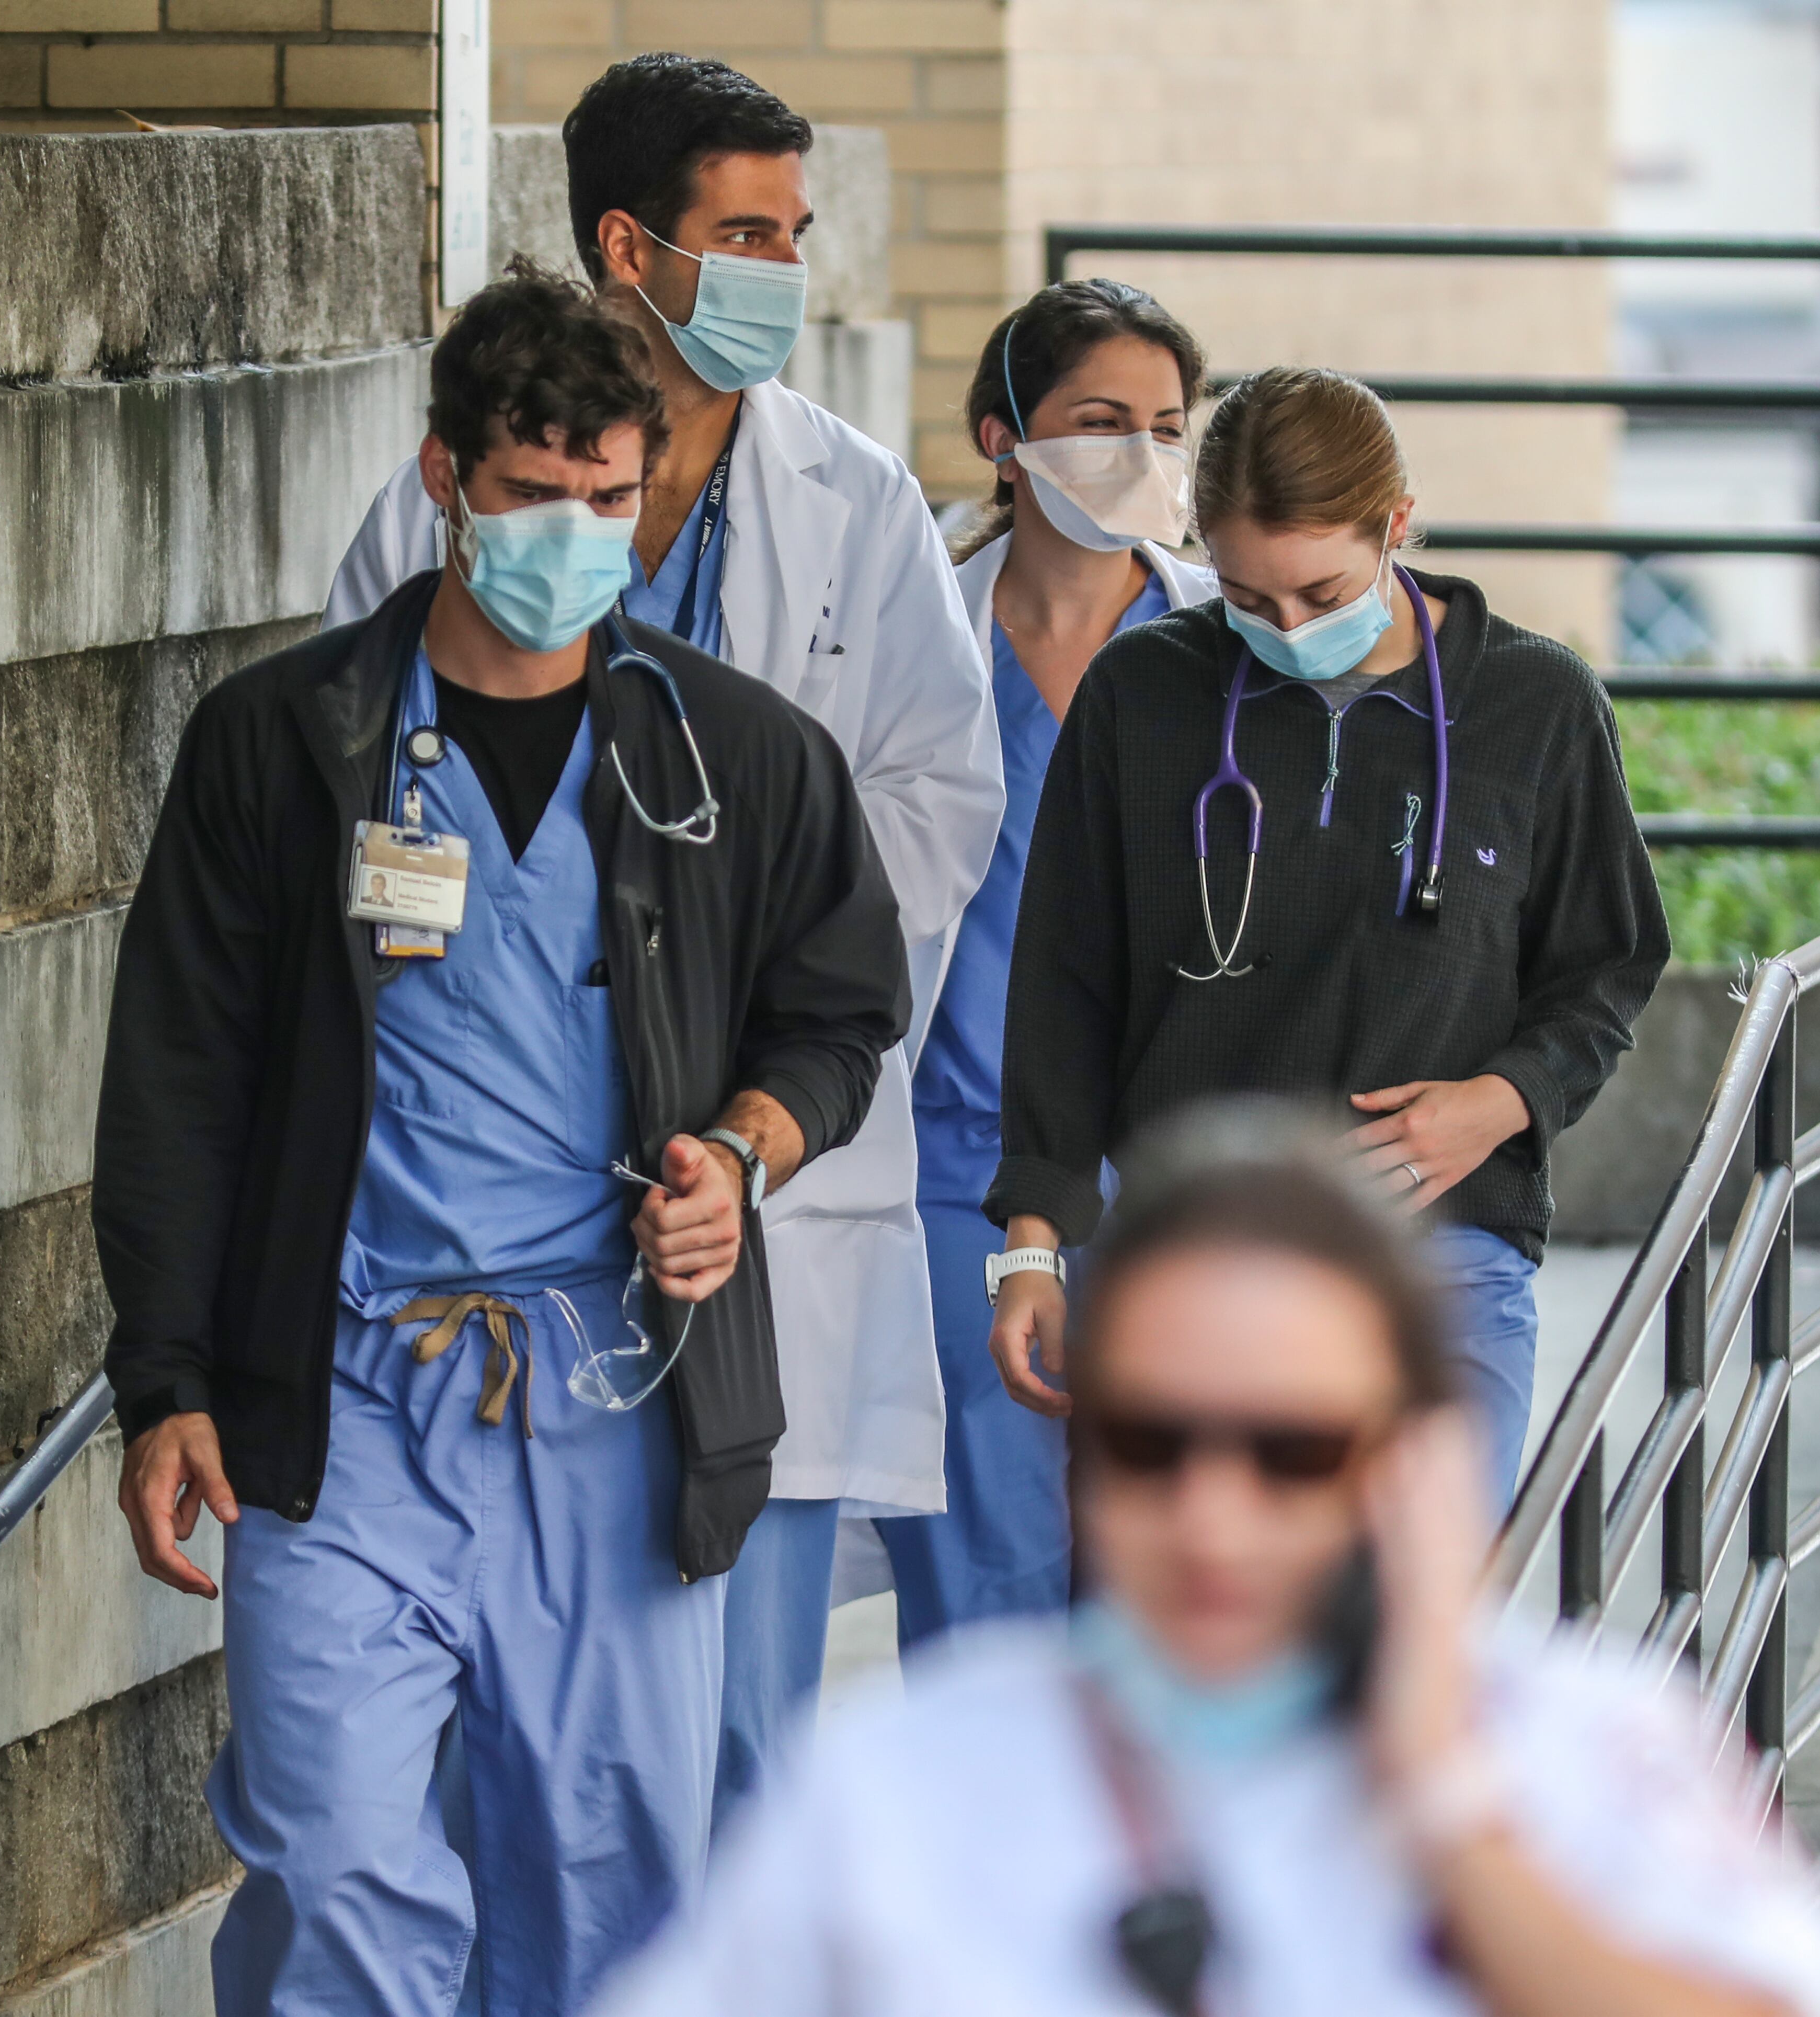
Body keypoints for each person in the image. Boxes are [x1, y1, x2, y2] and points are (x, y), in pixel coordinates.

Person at [94, 263, 909, 2017]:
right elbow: (177, 1071)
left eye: (612, 497)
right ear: (445, 476)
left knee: (609, 1900)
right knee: (331, 1871)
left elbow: (839, 1013)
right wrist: (163, 1377)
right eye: (534, 494)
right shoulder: (284, 743)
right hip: (347, 1398)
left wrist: (742, 1157)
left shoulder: (739, 755)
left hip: (617, 1403)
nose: (576, 532)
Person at [324, 53, 1005, 1817]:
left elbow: (941, 792)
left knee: (745, 1732)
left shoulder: (850, 502)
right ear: (633, 246)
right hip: (497, 1195)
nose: (788, 264)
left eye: (796, 229)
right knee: (503, 1757)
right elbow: (352, 791)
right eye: (750, 232)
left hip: (756, 1173)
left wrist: (761, 989)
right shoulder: (447, 501)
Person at [595, 1102, 1820, 2017]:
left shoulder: (1594, 1752)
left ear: (1405, 1464)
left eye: (1293, 1451)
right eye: (1153, 1443)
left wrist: (1446, 1804)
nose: (1213, 1515)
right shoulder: (899, 1791)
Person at [987, 367, 1670, 1508]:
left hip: (1441, 1252)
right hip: (1186, 1256)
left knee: (1419, 1627)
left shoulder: (1538, 706)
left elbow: (1606, 968)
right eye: (1250, 601)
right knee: (1188, 1638)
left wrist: (1501, 1100)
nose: (1289, 630)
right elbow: (1065, 983)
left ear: (1397, 523)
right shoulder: (1141, 693)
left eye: (1322, 590)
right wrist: (1032, 1244)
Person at [874, 281, 1211, 1652]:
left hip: (1190, 1177)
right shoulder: (914, 648)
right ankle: (998, 1870)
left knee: (1169, 1587)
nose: (1141, 454)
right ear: (1000, 438)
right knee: (986, 1594)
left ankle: (1151, 1872)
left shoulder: (1228, 653)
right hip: (961, 1173)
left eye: (1169, 426)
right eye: (1100, 421)